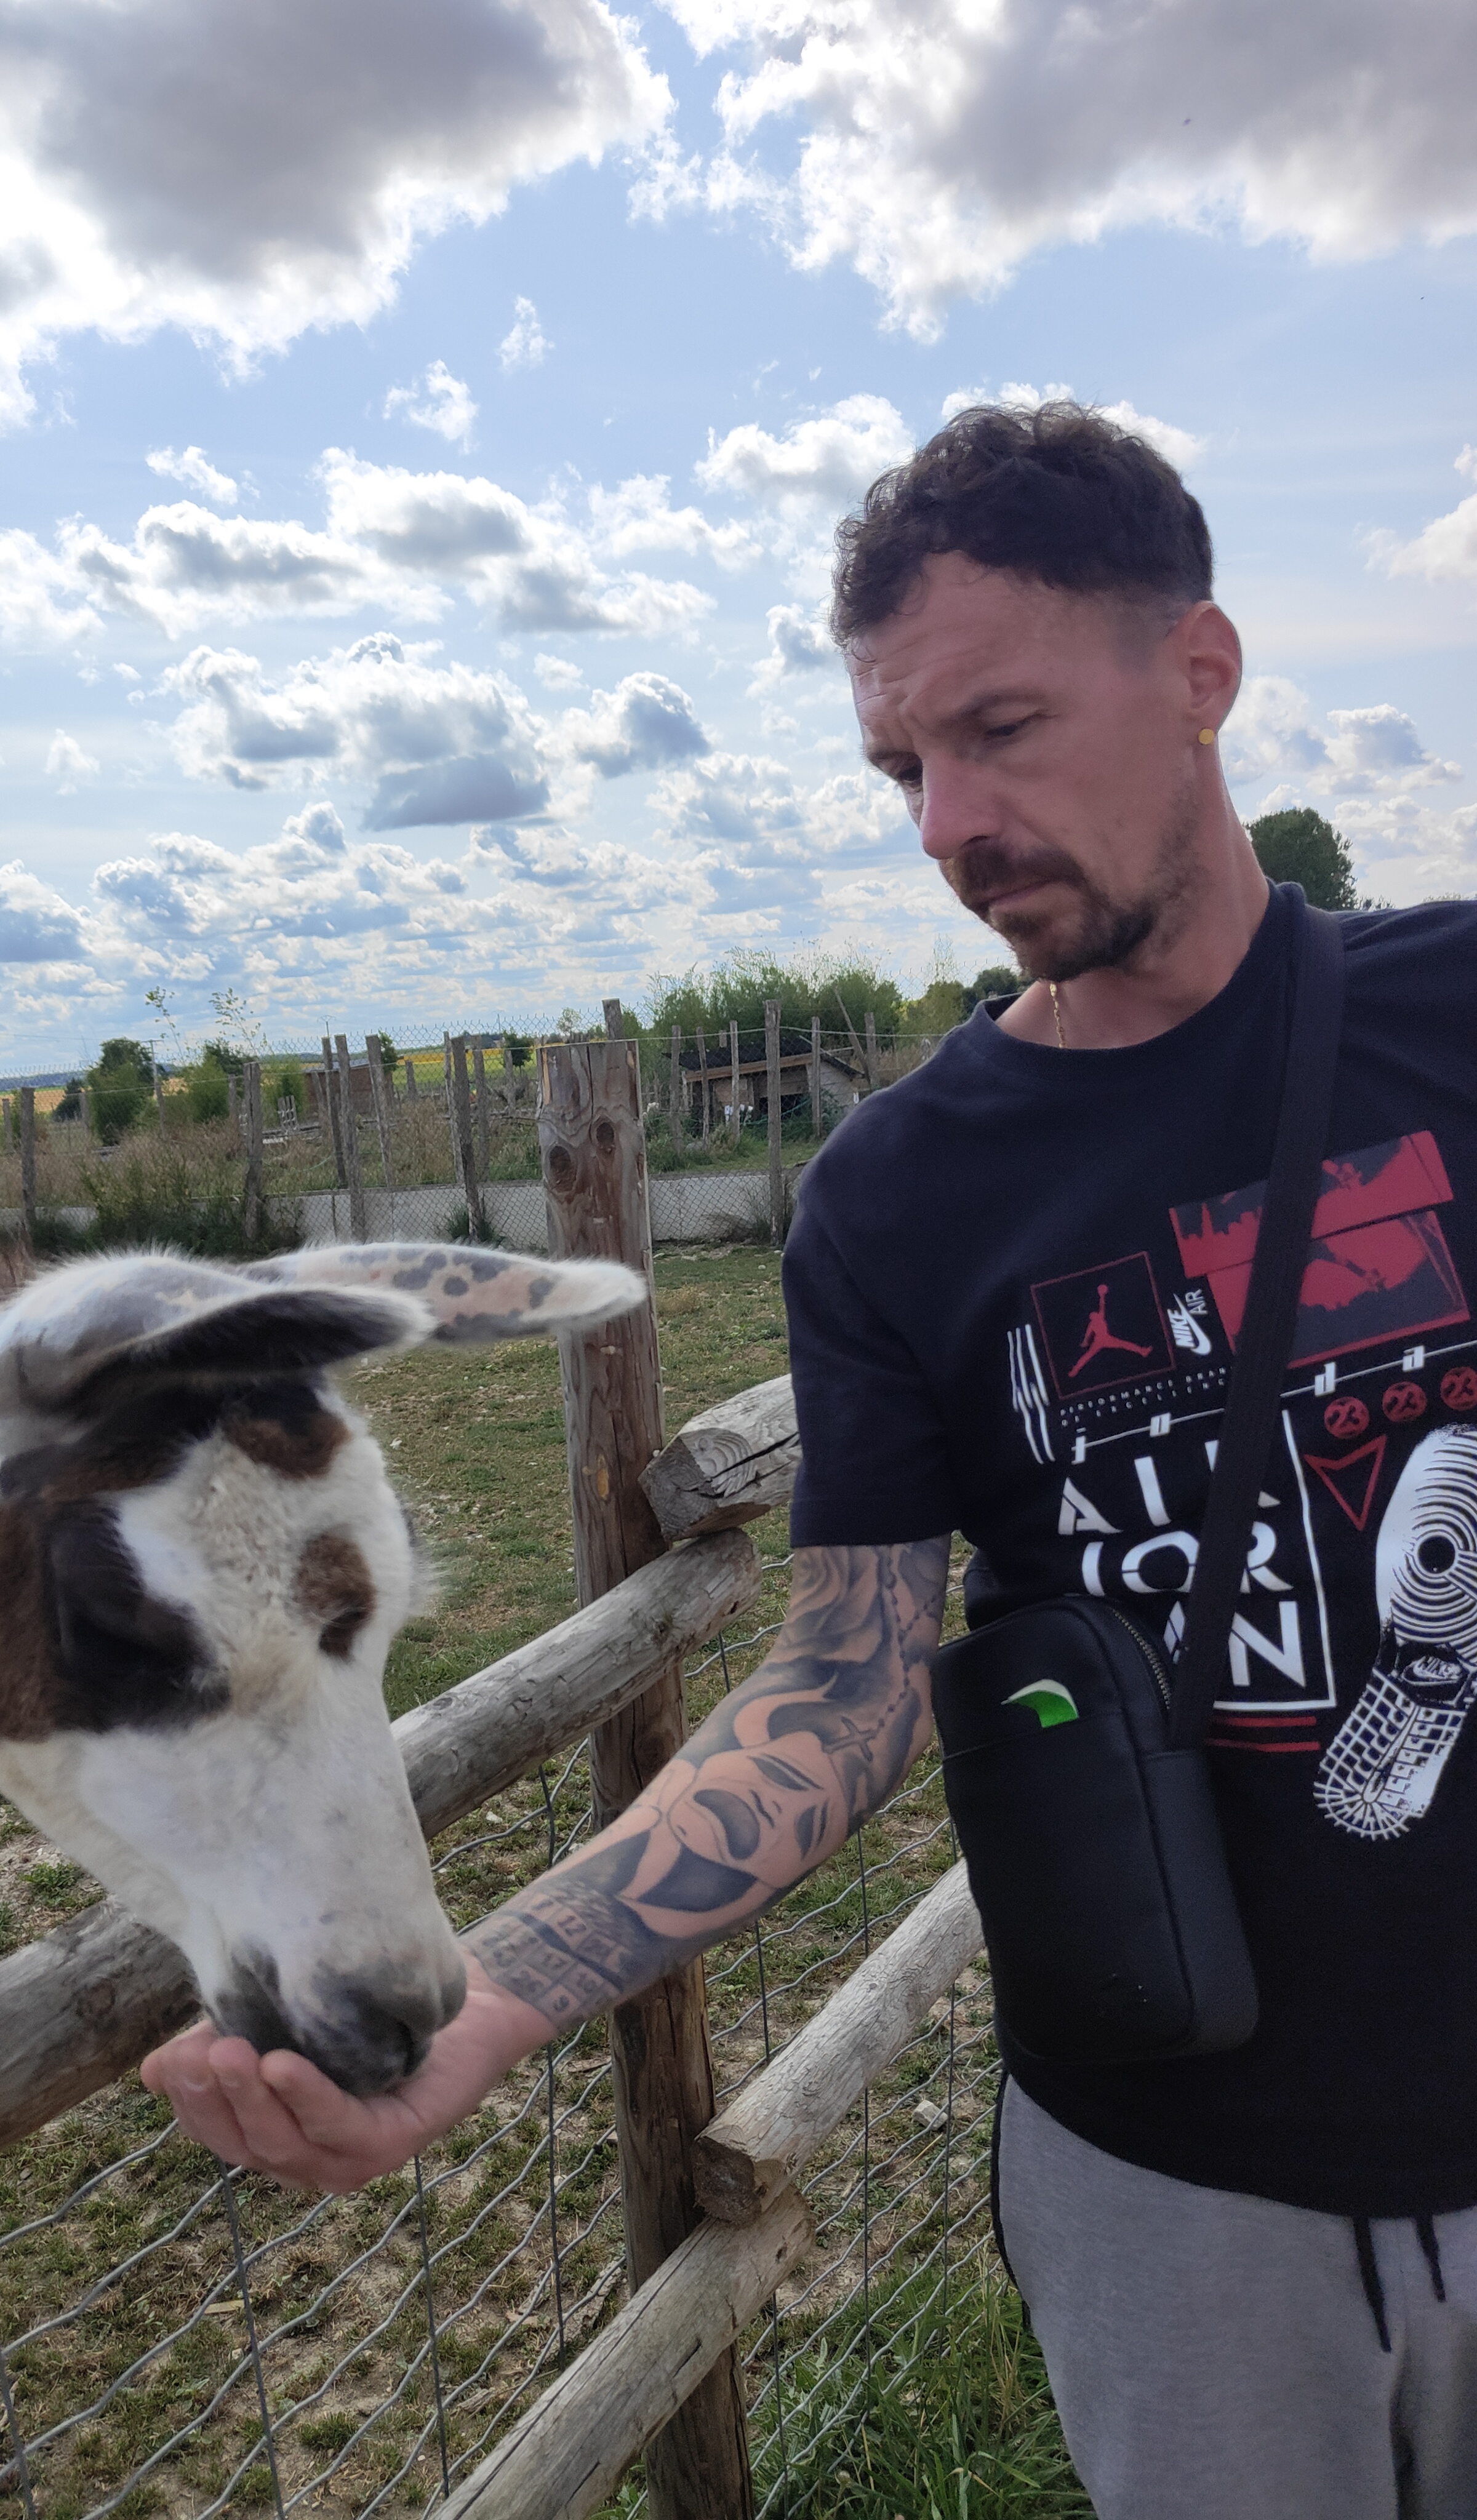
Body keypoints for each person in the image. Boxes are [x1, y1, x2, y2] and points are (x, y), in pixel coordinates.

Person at [143, 402, 1477, 2518]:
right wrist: (481, 2009)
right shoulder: (899, 1194)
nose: (951, 824)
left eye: (1003, 730)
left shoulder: (1454, 1015)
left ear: (1201, 673)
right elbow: (846, 1680)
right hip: (1180, 2185)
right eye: (901, 769)